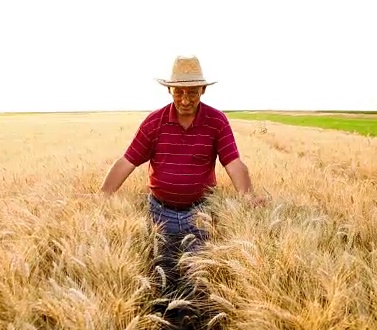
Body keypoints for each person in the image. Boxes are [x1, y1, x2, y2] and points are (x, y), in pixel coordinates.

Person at [99, 55, 262, 248]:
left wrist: (248, 195)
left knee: (197, 272)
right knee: (162, 269)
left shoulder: (217, 121)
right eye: (178, 92)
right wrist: (102, 195)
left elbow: (233, 163)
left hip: (200, 213)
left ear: (203, 90)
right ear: (169, 90)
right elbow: (127, 161)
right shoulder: (154, 123)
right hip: (160, 213)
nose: (185, 100)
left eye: (192, 93)